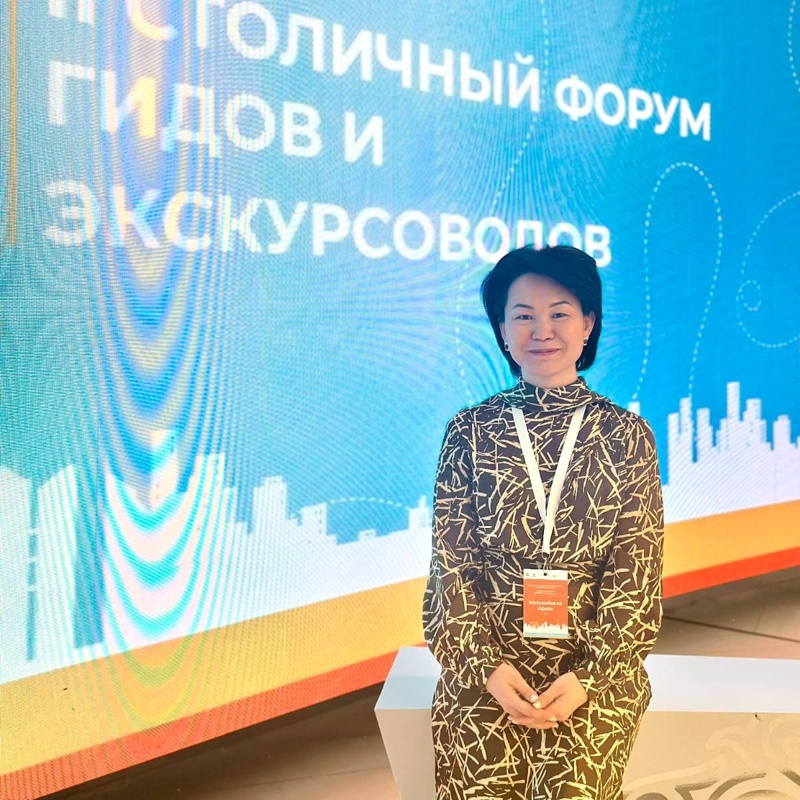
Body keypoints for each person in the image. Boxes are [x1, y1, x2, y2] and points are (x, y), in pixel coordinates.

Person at [422, 245, 664, 799]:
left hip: (592, 673)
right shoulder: (471, 431)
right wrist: (485, 667)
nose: (542, 330)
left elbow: (636, 574)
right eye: (523, 315)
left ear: (588, 324)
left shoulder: (626, 436)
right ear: (502, 330)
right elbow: (452, 568)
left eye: (559, 313)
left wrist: (589, 676)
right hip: (488, 669)